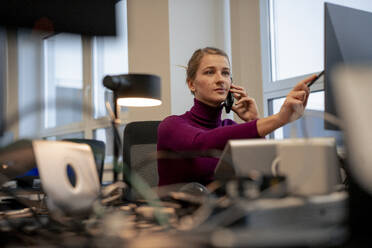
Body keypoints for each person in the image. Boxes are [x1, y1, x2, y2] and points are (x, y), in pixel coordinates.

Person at [157, 47, 316, 186]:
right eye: (210, 72)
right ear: (191, 84)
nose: (220, 79)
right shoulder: (171, 125)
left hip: (225, 213)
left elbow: (265, 169)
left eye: (225, 73)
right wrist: (280, 118)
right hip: (179, 216)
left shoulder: (230, 127)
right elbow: (202, 143)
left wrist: (253, 120)